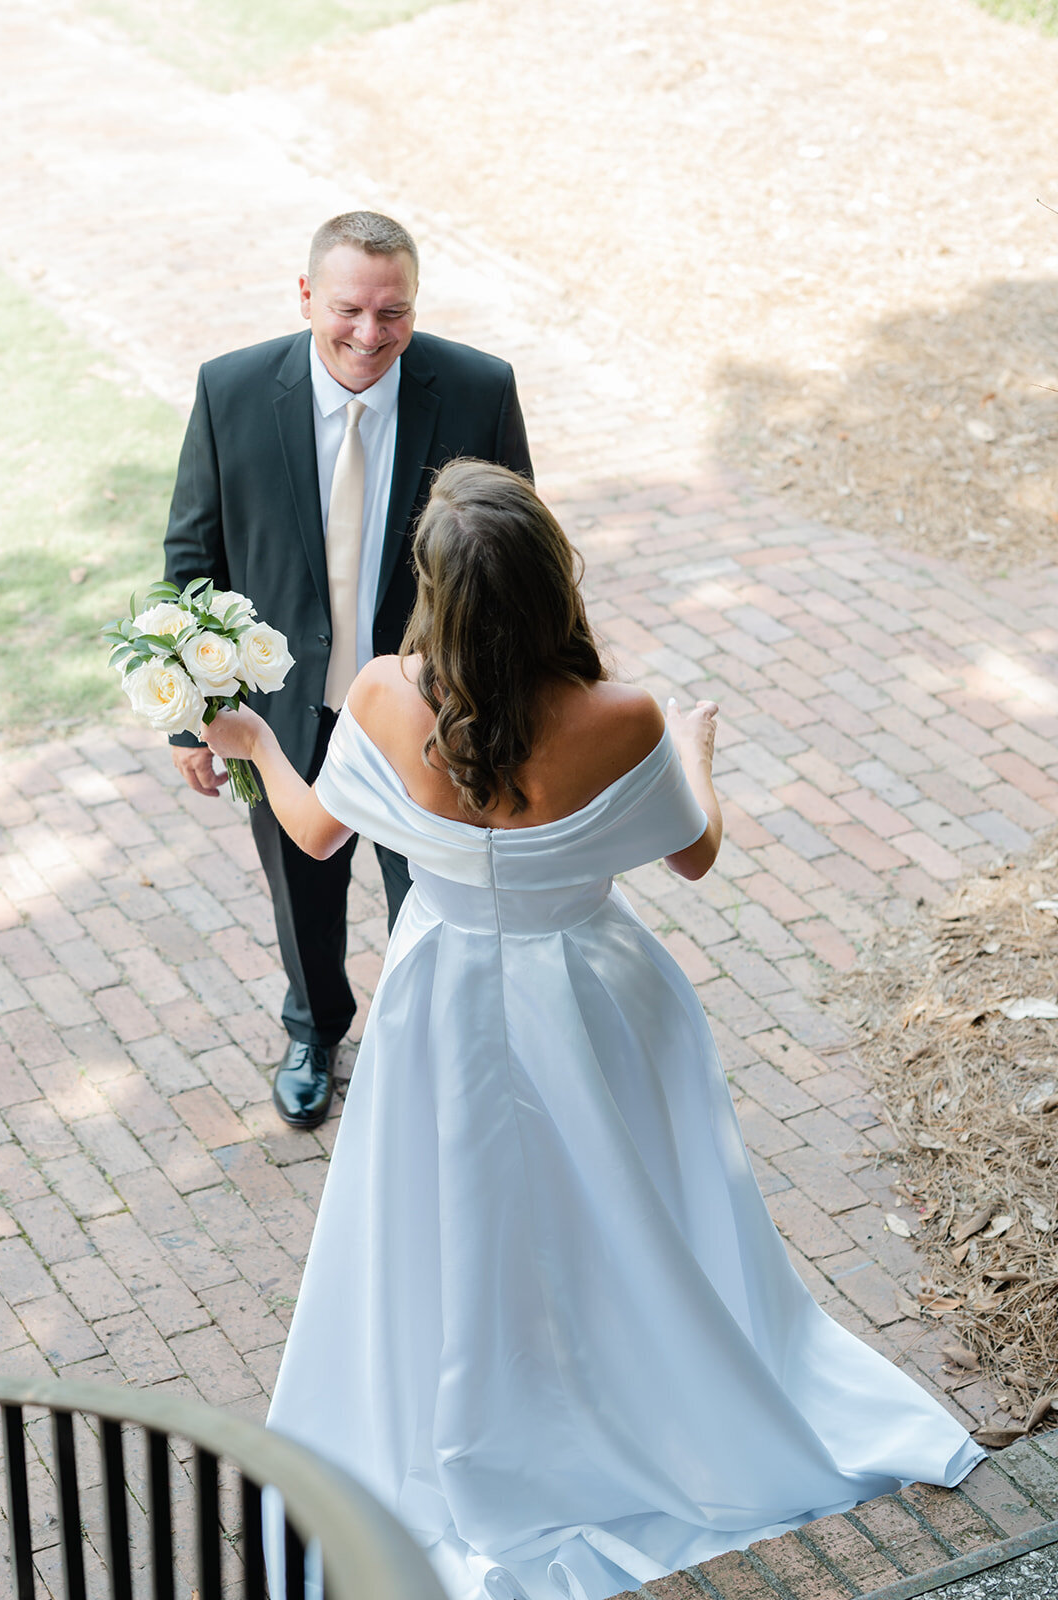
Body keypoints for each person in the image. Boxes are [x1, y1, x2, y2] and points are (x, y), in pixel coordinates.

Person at [201, 460, 984, 1600]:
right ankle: (644, 1398)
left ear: (435, 591)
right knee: (623, 1213)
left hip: (444, 998)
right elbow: (694, 851)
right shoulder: (620, 716)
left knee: (460, 1216)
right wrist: (698, 748)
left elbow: (316, 836)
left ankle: (477, 1413)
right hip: (591, 994)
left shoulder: (378, 693)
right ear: (548, 579)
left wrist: (254, 745)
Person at [163, 210, 532, 1132]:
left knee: (436, 906)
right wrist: (192, 716)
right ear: (305, 296)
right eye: (349, 310)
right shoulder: (232, 391)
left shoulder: (479, 389)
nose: (370, 335)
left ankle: (435, 1056)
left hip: (433, 723)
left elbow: (514, 565)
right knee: (303, 892)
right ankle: (314, 1031)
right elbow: (190, 562)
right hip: (288, 720)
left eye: (393, 313)